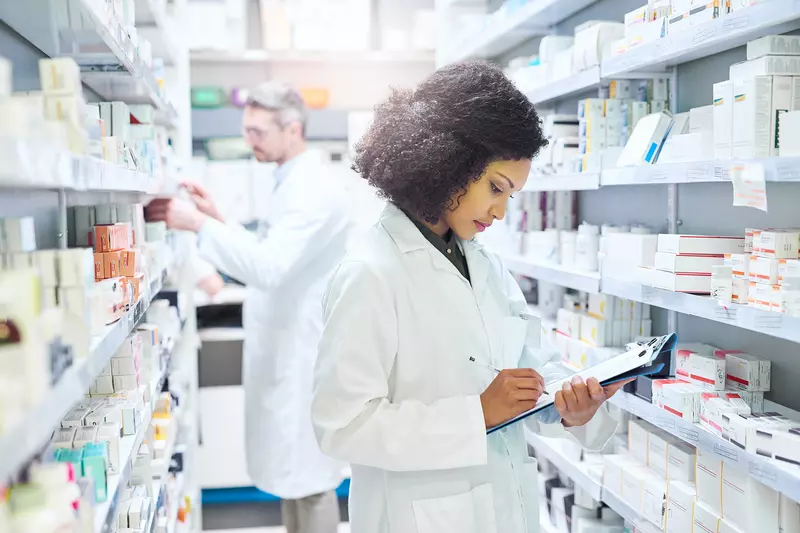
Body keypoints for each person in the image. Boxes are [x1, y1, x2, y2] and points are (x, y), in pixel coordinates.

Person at [310, 61, 626, 533]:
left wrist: (571, 401)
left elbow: (530, 365)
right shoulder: (371, 272)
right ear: (445, 162)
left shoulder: (484, 265)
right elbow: (342, 425)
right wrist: (475, 414)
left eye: (510, 196)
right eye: (495, 188)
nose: (500, 211)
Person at [147, 82, 349, 533]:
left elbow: (270, 266)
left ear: (292, 128)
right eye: (247, 130)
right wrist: (217, 219)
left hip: (304, 352)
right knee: (295, 477)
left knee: (310, 478)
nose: (249, 141)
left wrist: (198, 224)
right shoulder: (292, 181)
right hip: (286, 344)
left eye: (258, 132)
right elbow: (271, 248)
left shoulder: (314, 187)